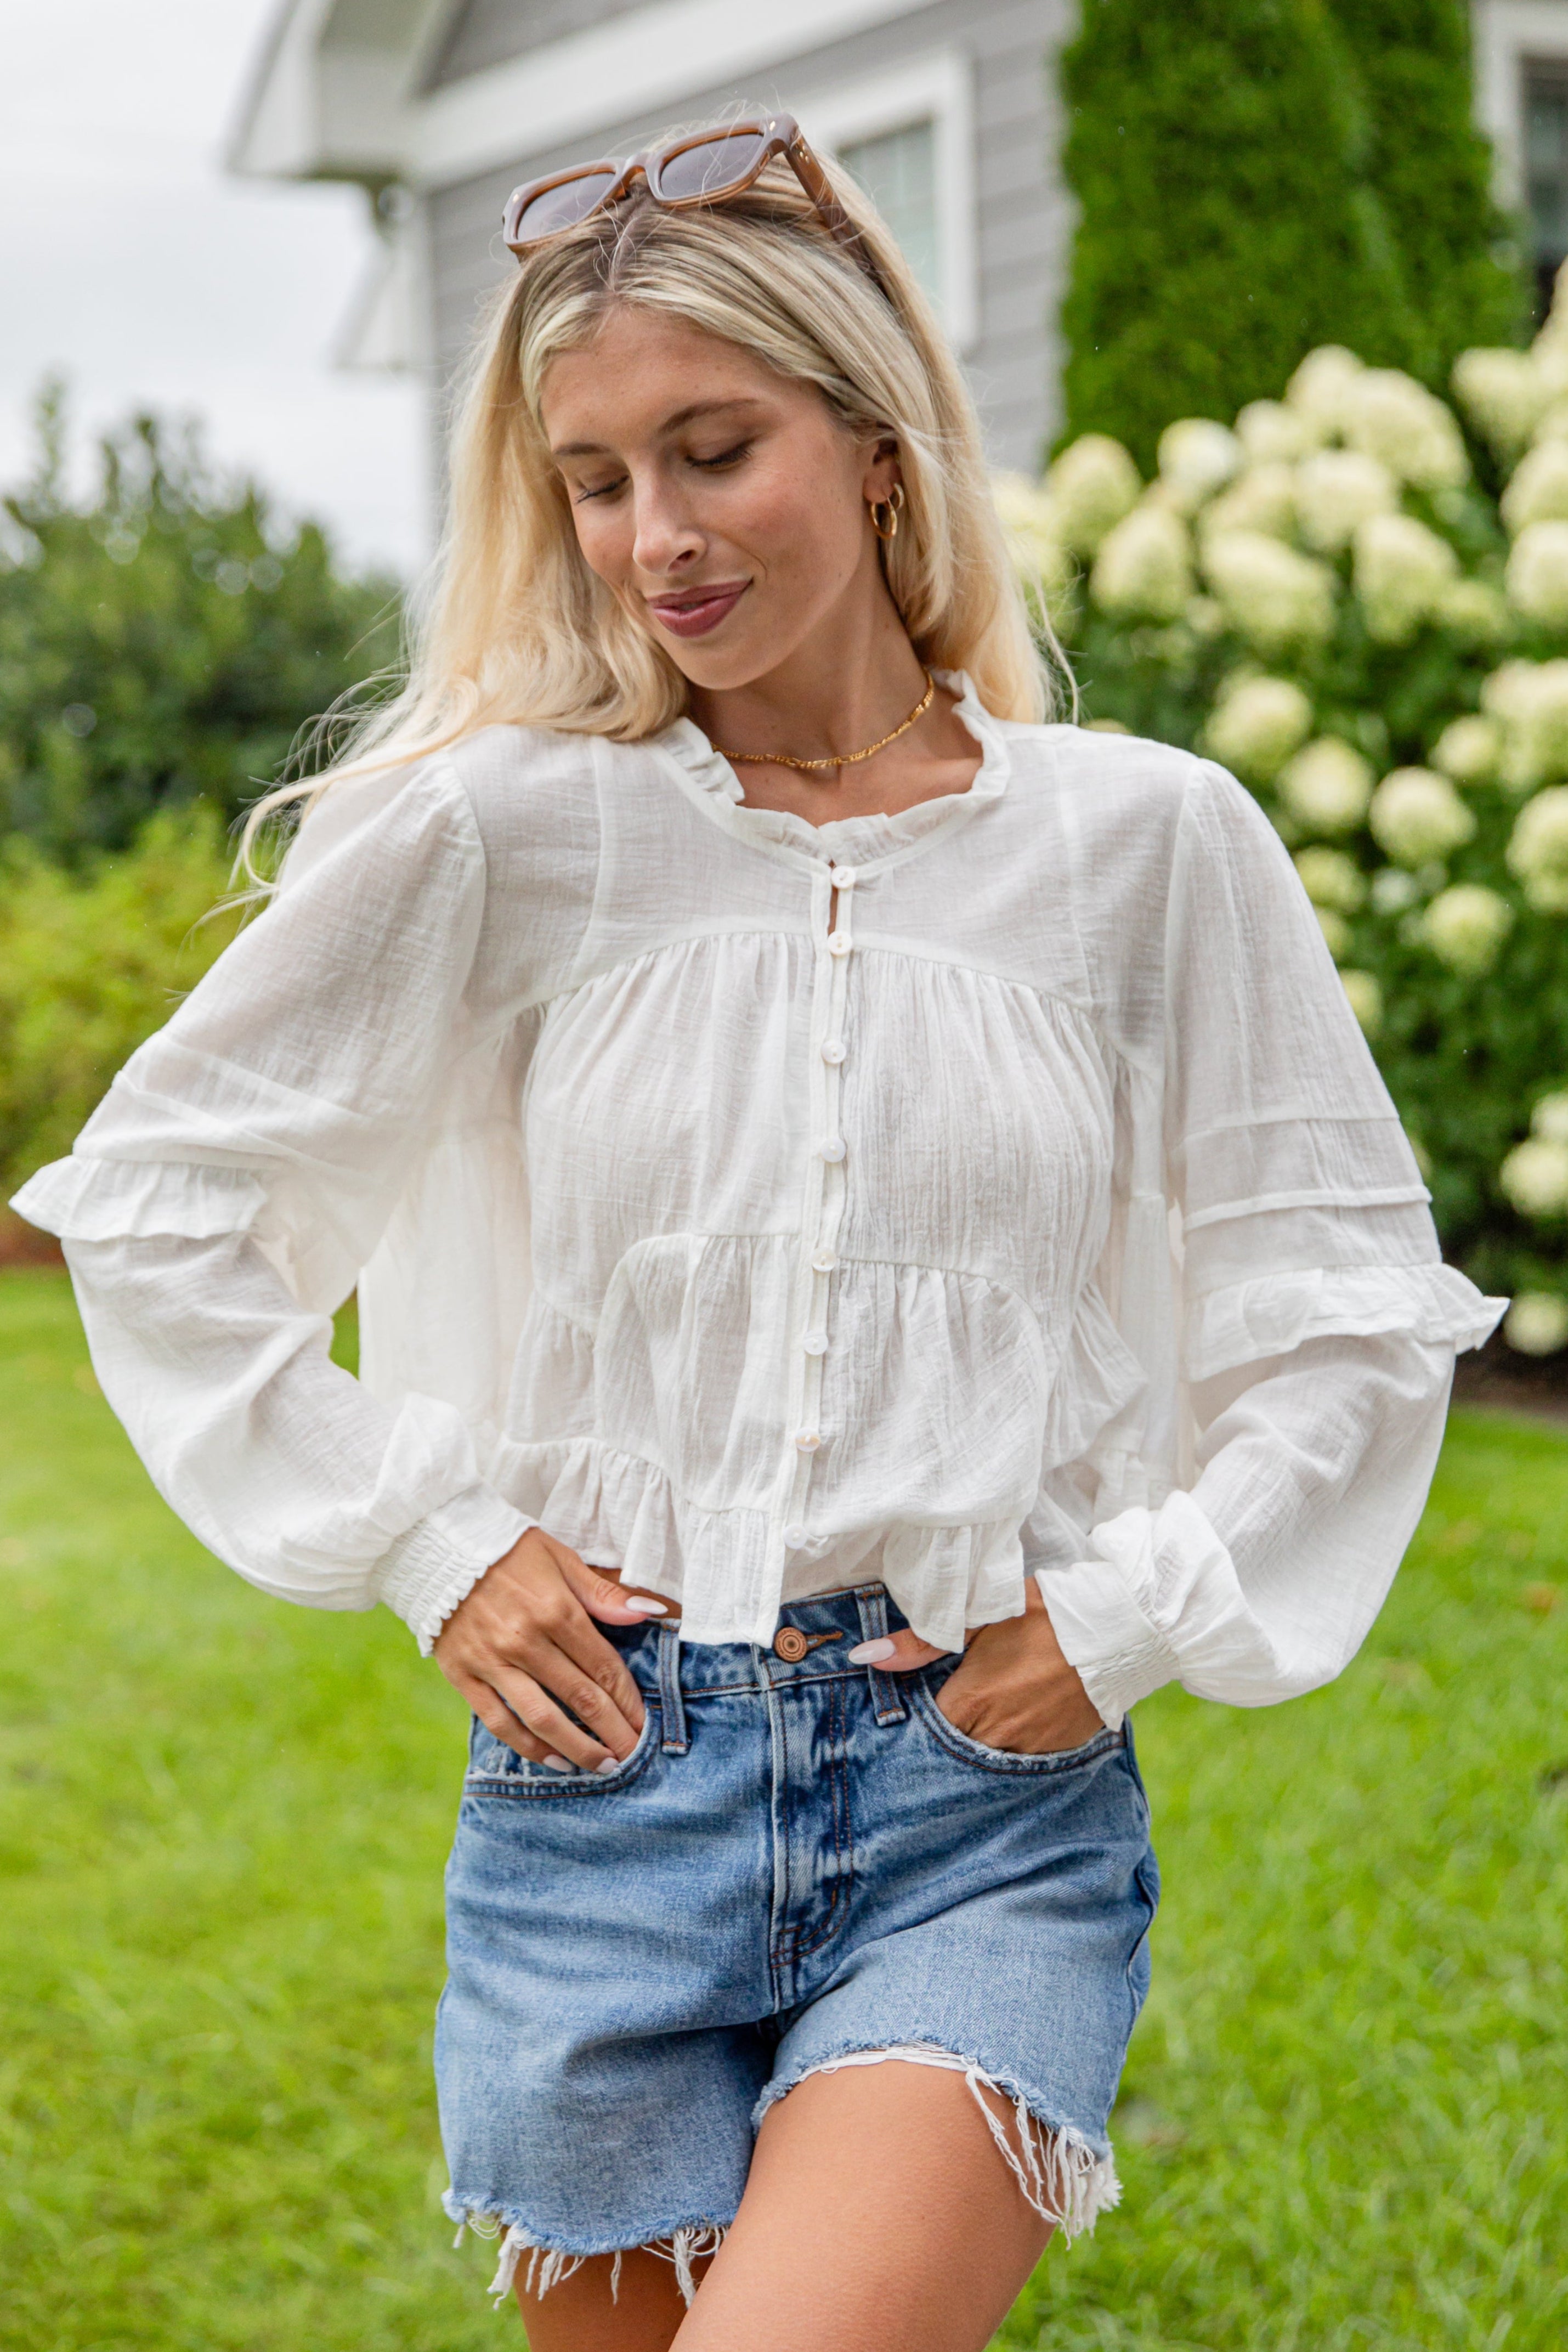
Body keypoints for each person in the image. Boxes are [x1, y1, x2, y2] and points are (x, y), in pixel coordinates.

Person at [13, 116, 1502, 2352]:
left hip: (974, 1801)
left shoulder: (1148, 847)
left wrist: (1126, 1616)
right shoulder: (512, 832)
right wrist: (431, 1536)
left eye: (714, 449)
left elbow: (1350, 1307)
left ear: (880, 442)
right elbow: (160, 1200)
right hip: (600, 1793)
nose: (654, 538)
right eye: (596, 480)